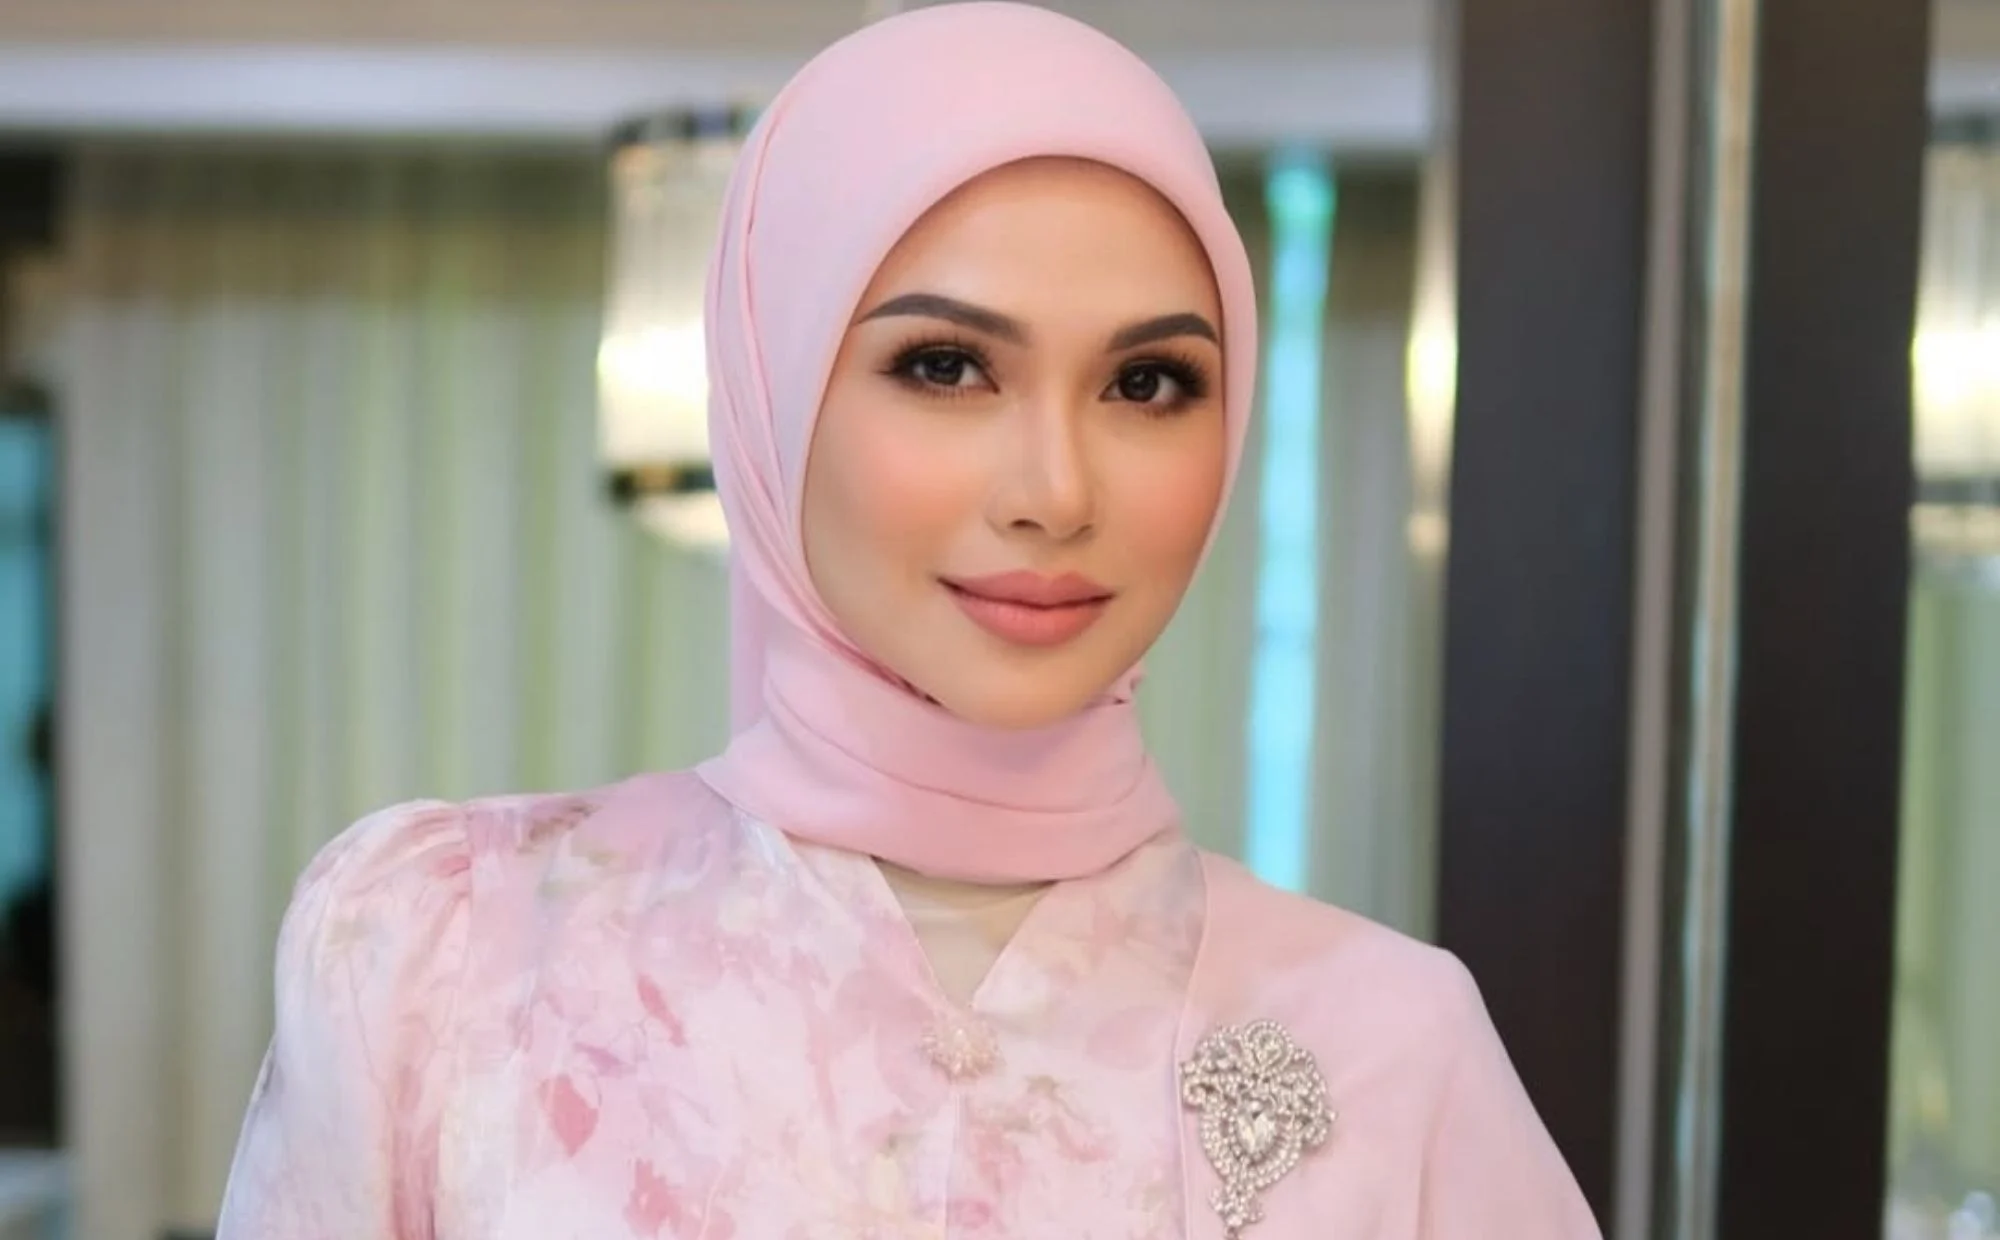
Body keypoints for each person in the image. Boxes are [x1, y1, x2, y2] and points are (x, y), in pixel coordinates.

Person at [216, 4, 1601, 1236]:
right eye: (945, 366)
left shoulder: (1388, 1047)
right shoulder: (447, 957)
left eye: (1146, 385)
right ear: (774, 398)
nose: (1055, 493)